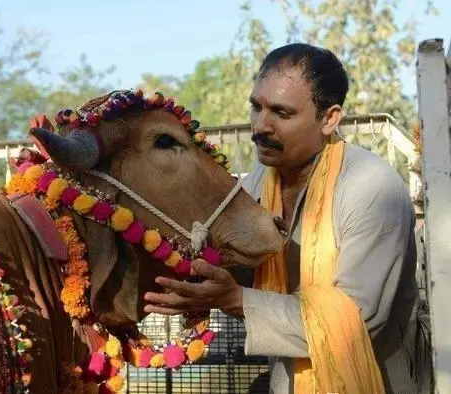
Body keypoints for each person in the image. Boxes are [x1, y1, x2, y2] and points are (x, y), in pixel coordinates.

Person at [144, 43, 420, 394]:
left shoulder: (371, 186)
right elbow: (232, 263)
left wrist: (235, 299)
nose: (260, 126)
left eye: (282, 113)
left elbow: (357, 321)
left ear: (329, 118)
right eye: (256, 107)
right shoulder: (257, 184)